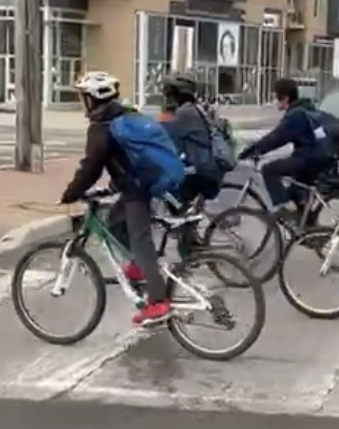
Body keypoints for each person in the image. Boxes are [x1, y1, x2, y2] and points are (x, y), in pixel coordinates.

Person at [59, 71, 172, 328]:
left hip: (137, 189)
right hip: (142, 181)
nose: (82, 102)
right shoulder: (125, 115)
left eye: (83, 97)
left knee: (141, 242)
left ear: (92, 99)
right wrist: (113, 186)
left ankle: (158, 302)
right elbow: (123, 157)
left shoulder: (102, 126)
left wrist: (71, 193)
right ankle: (139, 267)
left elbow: (91, 167)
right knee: (114, 222)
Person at [237, 77, 339, 216]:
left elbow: (276, 138)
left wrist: (253, 151)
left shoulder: (295, 115)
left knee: (269, 170)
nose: (275, 101)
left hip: (311, 159)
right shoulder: (306, 109)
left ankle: (283, 208)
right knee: (295, 187)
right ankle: (304, 220)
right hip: (323, 158)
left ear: (285, 98)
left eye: (276, 97)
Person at [159, 73, 222, 204]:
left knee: (163, 185)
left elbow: (166, 139)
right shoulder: (195, 108)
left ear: (176, 94)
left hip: (201, 170)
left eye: (168, 93)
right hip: (208, 168)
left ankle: (180, 211)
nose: (166, 97)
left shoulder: (185, 113)